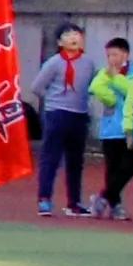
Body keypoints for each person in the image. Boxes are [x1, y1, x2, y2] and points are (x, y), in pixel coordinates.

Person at [29, 24, 91, 218]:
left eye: (77, 34)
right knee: (51, 158)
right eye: (68, 35)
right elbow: (37, 86)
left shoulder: (88, 63)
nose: (74, 38)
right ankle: (44, 199)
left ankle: (74, 202)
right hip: (57, 114)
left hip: (79, 114)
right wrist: (52, 101)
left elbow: (91, 85)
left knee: (76, 160)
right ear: (59, 42)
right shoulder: (54, 62)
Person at [89, 36, 133, 220]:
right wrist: (110, 98)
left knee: (129, 166)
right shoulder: (104, 73)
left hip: (130, 129)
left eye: (115, 54)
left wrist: (116, 79)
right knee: (112, 168)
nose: (112, 58)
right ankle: (115, 205)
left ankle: (102, 197)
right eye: (109, 55)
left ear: (125, 54)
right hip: (110, 129)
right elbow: (95, 87)